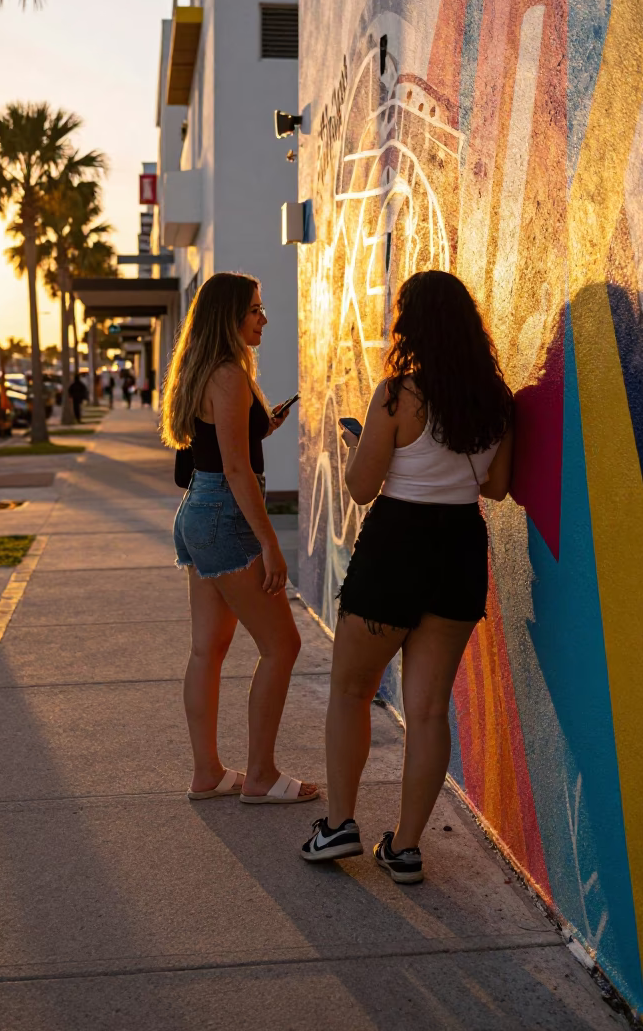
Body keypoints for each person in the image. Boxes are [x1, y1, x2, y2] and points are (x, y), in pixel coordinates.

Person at [301, 270, 513, 880]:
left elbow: (363, 488)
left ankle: (339, 826)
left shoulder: (397, 395)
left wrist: (357, 445)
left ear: (411, 325)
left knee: (351, 691)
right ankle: (406, 848)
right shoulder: (495, 403)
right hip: (460, 551)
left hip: (396, 545)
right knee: (427, 711)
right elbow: (496, 489)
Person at [161, 272, 318, 805]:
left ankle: (207, 773)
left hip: (199, 511)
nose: (263, 318)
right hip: (223, 516)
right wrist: (271, 543)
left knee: (208, 649)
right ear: (228, 316)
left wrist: (260, 427)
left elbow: (219, 447)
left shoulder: (208, 371)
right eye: (254, 309)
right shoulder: (228, 375)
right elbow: (235, 469)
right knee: (283, 645)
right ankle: (262, 775)